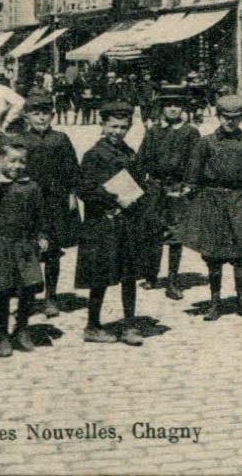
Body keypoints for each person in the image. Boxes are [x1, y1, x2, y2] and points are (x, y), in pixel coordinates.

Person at [74, 101, 160, 345]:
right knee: (99, 276)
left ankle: (129, 325)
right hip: (102, 223)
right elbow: (84, 190)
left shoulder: (130, 153)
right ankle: (92, 325)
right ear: (102, 125)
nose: (117, 132)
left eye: (123, 127)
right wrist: (112, 198)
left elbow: (138, 181)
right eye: (113, 126)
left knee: (129, 275)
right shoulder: (93, 155)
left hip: (127, 222)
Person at [184, 94, 242, 320]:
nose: (230, 122)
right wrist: (189, 194)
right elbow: (194, 173)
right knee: (213, 254)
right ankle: (214, 302)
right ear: (218, 117)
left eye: (235, 117)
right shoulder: (206, 142)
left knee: (240, 252)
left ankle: (241, 299)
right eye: (225, 117)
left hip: (240, 199)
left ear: (241, 117)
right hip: (212, 200)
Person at [0, 137, 45, 358]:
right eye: (12, 161)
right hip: (0, 245)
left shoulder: (31, 187)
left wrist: (41, 235)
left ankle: (22, 328)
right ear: (1, 160)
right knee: (3, 291)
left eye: (22, 162)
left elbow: (39, 215)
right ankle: (2, 335)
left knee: (28, 289)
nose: (17, 166)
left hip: (24, 244)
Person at [18, 93, 79, 318]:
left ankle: (51, 297)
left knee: (52, 251)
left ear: (52, 115)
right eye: (36, 114)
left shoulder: (60, 139)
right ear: (27, 117)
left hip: (55, 202)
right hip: (30, 202)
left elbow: (72, 168)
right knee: (29, 248)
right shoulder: (22, 140)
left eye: (45, 113)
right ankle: (29, 295)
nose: (41, 118)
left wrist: (72, 194)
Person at [138, 86, 200, 300]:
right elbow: (141, 160)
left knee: (175, 233)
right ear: (161, 108)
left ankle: (173, 281)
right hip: (155, 187)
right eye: (168, 105)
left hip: (178, 188)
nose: (173, 109)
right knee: (152, 230)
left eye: (177, 105)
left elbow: (196, 162)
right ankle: (151, 275)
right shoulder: (154, 131)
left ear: (183, 108)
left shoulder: (190, 132)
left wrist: (189, 186)